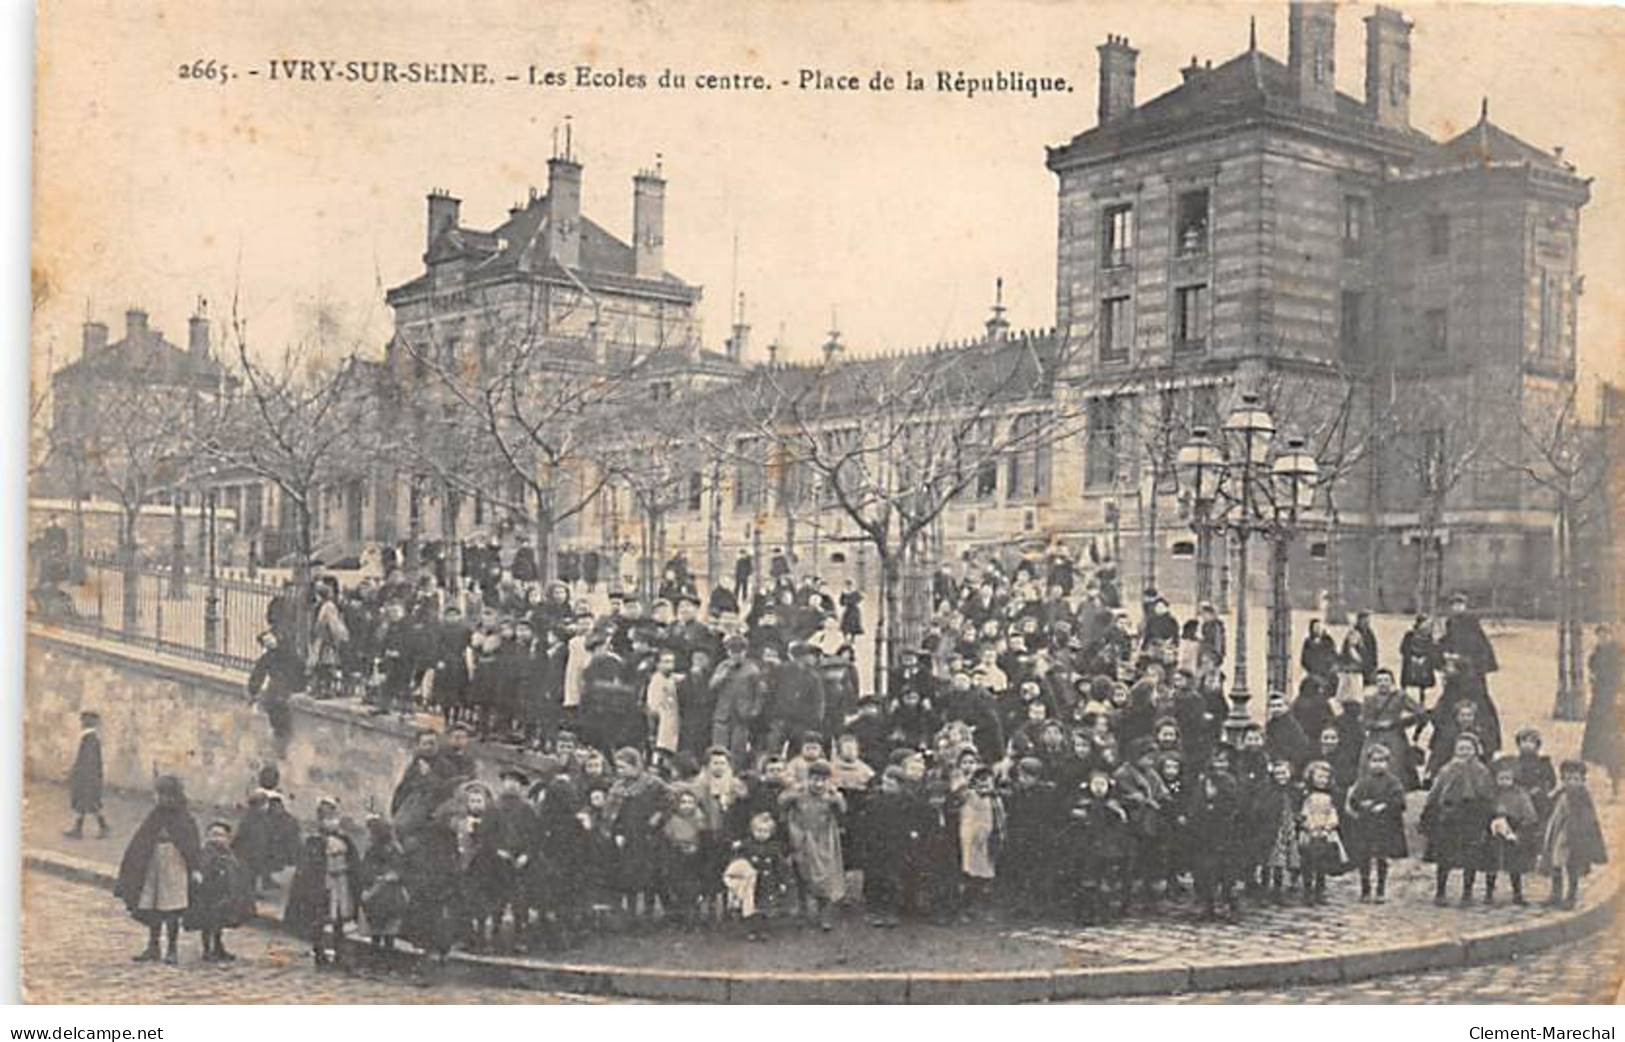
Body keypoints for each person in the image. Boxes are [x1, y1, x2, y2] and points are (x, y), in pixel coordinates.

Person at [115, 776, 202, 964]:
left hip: (175, 863)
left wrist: (195, 868)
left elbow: (191, 844)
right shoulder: (155, 815)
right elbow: (142, 840)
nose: (160, 798)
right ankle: (153, 946)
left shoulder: (183, 817)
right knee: (152, 906)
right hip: (154, 863)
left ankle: (172, 949)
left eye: (164, 794)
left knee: (171, 908)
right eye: (159, 794)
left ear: (173, 796)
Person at [285, 796, 363, 968]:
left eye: (333, 816)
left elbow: (354, 862)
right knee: (321, 917)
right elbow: (307, 866)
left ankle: (338, 951)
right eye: (327, 817)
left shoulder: (345, 839)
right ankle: (319, 951)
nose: (331, 820)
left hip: (341, 882)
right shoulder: (314, 841)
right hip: (323, 883)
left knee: (340, 919)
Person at [1420, 733, 1495, 906]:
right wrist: (1431, 811)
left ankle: (1467, 893)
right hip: (1449, 817)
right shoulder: (1447, 769)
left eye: (1468, 749)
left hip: (1472, 817)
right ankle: (1440, 892)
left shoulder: (1481, 771)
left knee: (1471, 856)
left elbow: (1488, 794)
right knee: (1445, 855)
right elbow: (1436, 792)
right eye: (1461, 748)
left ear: (1475, 751)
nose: (1464, 752)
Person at [779, 760, 846, 930]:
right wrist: (791, 793)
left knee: (824, 877)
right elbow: (782, 802)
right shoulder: (799, 794)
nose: (818, 784)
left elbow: (843, 810)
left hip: (823, 841)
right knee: (802, 874)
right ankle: (803, 911)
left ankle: (824, 913)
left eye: (822, 780)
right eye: (814, 779)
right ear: (808, 779)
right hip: (802, 839)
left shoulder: (831, 796)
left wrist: (837, 798)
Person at [1538, 760, 1609, 909]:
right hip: (1559, 833)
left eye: (1576, 779)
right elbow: (1550, 809)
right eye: (1568, 779)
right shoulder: (1560, 794)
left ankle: (1571, 896)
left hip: (1574, 837)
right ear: (1562, 779)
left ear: (1583, 780)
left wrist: (1579, 832)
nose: (1571, 782)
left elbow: (1588, 818)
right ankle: (1555, 894)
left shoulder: (1582, 797)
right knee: (1556, 863)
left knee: (1572, 865)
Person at [1342, 745, 1407, 904]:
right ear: (1368, 762)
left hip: (1385, 826)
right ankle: (1365, 889)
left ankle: (1380, 889)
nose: (1378, 764)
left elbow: (1400, 802)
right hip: (1366, 825)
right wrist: (1362, 805)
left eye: (1382, 761)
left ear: (1388, 763)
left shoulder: (1393, 781)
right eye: (1374, 761)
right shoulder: (1364, 781)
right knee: (1364, 858)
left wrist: (1385, 805)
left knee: (1381, 858)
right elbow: (1354, 800)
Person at [185, 821, 254, 962]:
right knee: (208, 922)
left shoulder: (229, 854)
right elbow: (202, 868)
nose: (217, 838)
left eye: (221, 835)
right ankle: (207, 949)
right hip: (208, 893)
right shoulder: (207, 852)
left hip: (225, 893)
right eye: (213, 835)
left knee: (220, 922)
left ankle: (218, 946)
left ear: (228, 838)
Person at [1483, 756, 1539, 907]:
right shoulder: (1492, 794)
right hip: (1494, 832)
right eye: (1501, 778)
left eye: (1508, 778)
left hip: (1514, 831)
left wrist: (1519, 828)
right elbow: (1485, 810)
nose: (1504, 781)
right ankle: (1488, 893)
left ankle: (1517, 893)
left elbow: (1529, 814)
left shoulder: (1520, 794)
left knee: (1515, 865)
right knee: (1491, 864)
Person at [1359, 668, 1424, 790]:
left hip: (1395, 735)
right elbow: (1364, 720)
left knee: (1396, 763)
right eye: (1380, 681)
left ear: (1392, 683)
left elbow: (1420, 713)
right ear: (1375, 684)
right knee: (1368, 761)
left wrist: (1399, 723)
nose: (1383, 684)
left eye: (1386, 680)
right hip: (1375, 736)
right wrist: (1376, 724)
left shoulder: (1400, 697)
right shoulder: (1369, 700)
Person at [1297, 761, 1347, 905]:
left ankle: (1320, 890)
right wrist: (1309, 826)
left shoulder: (1330, 797)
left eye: (1325, 778)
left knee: (1322, 863)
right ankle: (1307, 890)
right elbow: (1304, 813)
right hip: (1310, 831)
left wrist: (1328, 826)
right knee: (1307, 861)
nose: (1322, 781)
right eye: (1319, 777)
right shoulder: (1307, 795)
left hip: (1325, 831)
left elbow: (1332, 813)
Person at [359, 816, 409, 952]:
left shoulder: (379, 850)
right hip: (388, 893)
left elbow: (367, 870)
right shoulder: (394, 849)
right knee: (386, 930)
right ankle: (386, 959)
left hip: (382, 893)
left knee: (380, 929)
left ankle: (379, 959)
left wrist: (378, 878)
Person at [1582, 624, 1621, 799]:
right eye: (1600, 635)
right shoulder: (1598, 651)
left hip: (1613, 693)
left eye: (1605, 635)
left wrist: (1621, 692)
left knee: (1613, 726)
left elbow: (1620, 674)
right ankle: (1595, 751)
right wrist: (1592, 676)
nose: (1602, 638)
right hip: (1600, 693)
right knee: (1597, 723)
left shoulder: (1618, 653)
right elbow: (1592, 665)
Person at [65, 710, 108, 839]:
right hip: (88, 776)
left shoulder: (89, 739)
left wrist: (77, 773)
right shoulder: (90, 738)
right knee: (85, 804)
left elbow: (88, 762)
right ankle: (79, 829)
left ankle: (101, 827)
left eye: (84, 720)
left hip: (87, 777)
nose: (82, 723)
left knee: (88, 803)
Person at [1399, 615, 1440, 704]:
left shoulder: (1429, 637)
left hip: (1424, 663)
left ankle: (1422, 701)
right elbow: (1403, 648)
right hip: (1410, 662)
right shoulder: (1410, 635)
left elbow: (1432, 650)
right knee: (1407, 681)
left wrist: (1424, 658)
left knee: (1422, 685)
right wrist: (1411, 657)